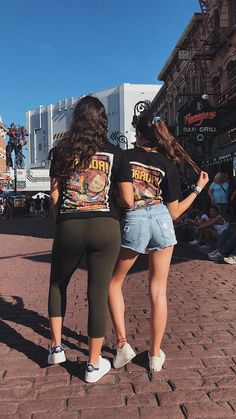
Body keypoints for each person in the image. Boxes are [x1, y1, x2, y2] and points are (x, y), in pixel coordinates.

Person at [108, 112, 209, 372]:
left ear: (138, 134)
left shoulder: (125, 157)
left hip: (136, 218)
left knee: (114, 283)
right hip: (162, 219)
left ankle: (122, 346)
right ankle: (154, 355)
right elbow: (175, 212)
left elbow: (119, 196)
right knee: (158, 290)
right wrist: (197, 189)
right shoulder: (167, 163)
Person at [48, 96, 133, 383]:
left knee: (58, 283)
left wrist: (61, 221)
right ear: (103, 121)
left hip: (70, 224)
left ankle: (56, 348)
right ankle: (93, 365)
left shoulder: (60, 151)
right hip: (105, 226)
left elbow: (55, 196)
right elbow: (128, 199)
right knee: (97, 293)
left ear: (76, 120)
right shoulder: (116, 154)